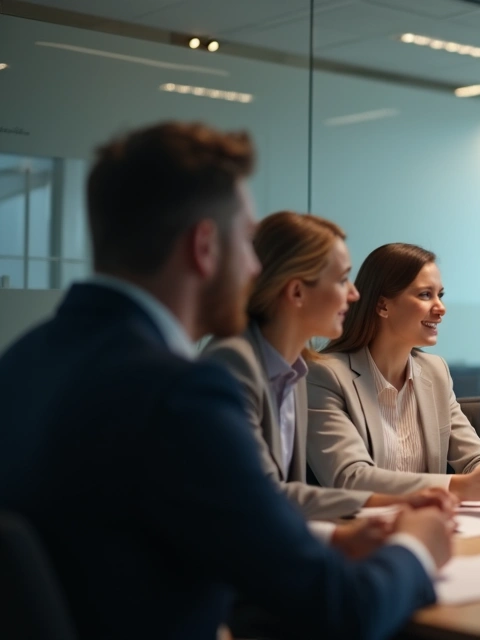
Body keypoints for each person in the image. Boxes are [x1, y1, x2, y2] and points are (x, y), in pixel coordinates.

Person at [0, 122, 454, 639]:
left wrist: (330, 543)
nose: (256, 267)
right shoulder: (178, 393)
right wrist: (417, 547)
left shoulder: (24, 358)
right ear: (204, 247)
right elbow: (340, 608)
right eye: (247, 242)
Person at [205, 211, 447, 533]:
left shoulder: (295, 371)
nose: (354, 294)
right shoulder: (233, 365)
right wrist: (380, 509)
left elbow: (289, 498)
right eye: (342, 279)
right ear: (296, 292)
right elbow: (259, 498)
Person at [308, 243, 480, 507]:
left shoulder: (435, 371)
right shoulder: (325, 374)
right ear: (382, 305)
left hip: (432, 525)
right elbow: (350, 478)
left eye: (441, 295)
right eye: (425, 295)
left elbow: (472, 457)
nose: (440, 308)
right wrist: (456, 486)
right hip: (358, 534)